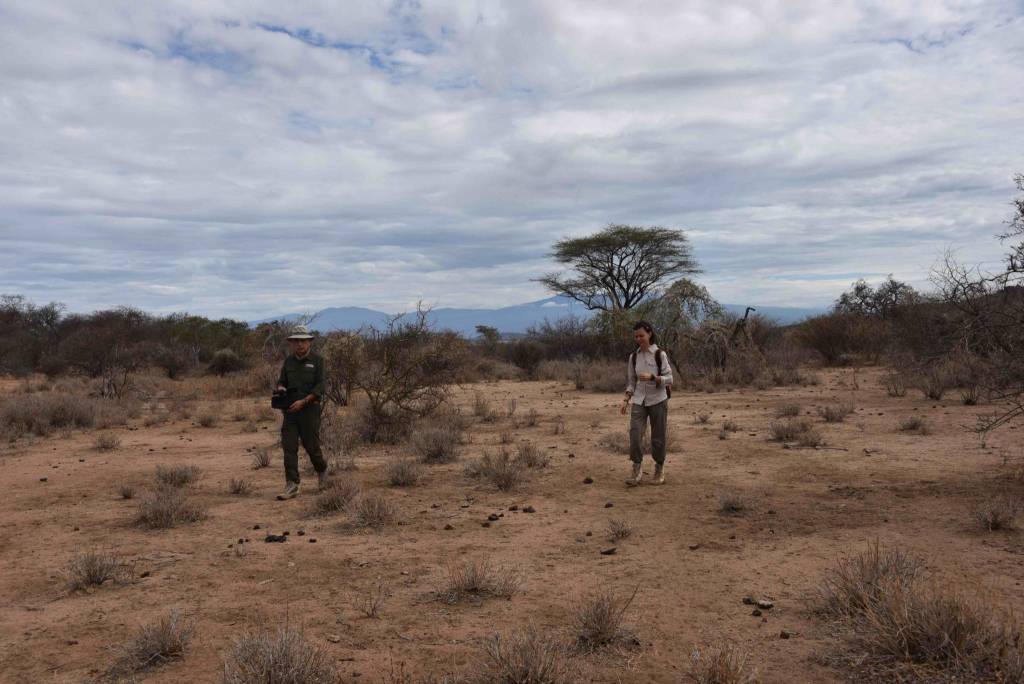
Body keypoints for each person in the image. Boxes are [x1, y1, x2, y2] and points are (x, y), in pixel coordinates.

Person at [274, 325, 328, 500]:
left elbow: (320, 386)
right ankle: (292, 485)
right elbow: (281, 381)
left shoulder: (318, 360)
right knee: (289, 448)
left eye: (303, 340)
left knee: (312, 446)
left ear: (309, 341)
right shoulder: (289, 362)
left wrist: (304, 401)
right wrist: (281, 389)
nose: (299, 344)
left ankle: (322, 472)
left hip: (309, 409)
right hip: (290, 411)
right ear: (291, 343)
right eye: (296, 341)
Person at [620, 320, 673, 486]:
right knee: (635, 435)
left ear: (649, 334)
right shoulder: (633, 357)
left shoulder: (659, 354)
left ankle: (659, 468)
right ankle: (636, 468)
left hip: (658, 400)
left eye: (641, 335)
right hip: (639, 400)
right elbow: (632, 381)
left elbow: (670, 378)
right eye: (636, 336)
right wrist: (626, 399)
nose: (638, 339)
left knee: (658, 438)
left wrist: (653, 378)